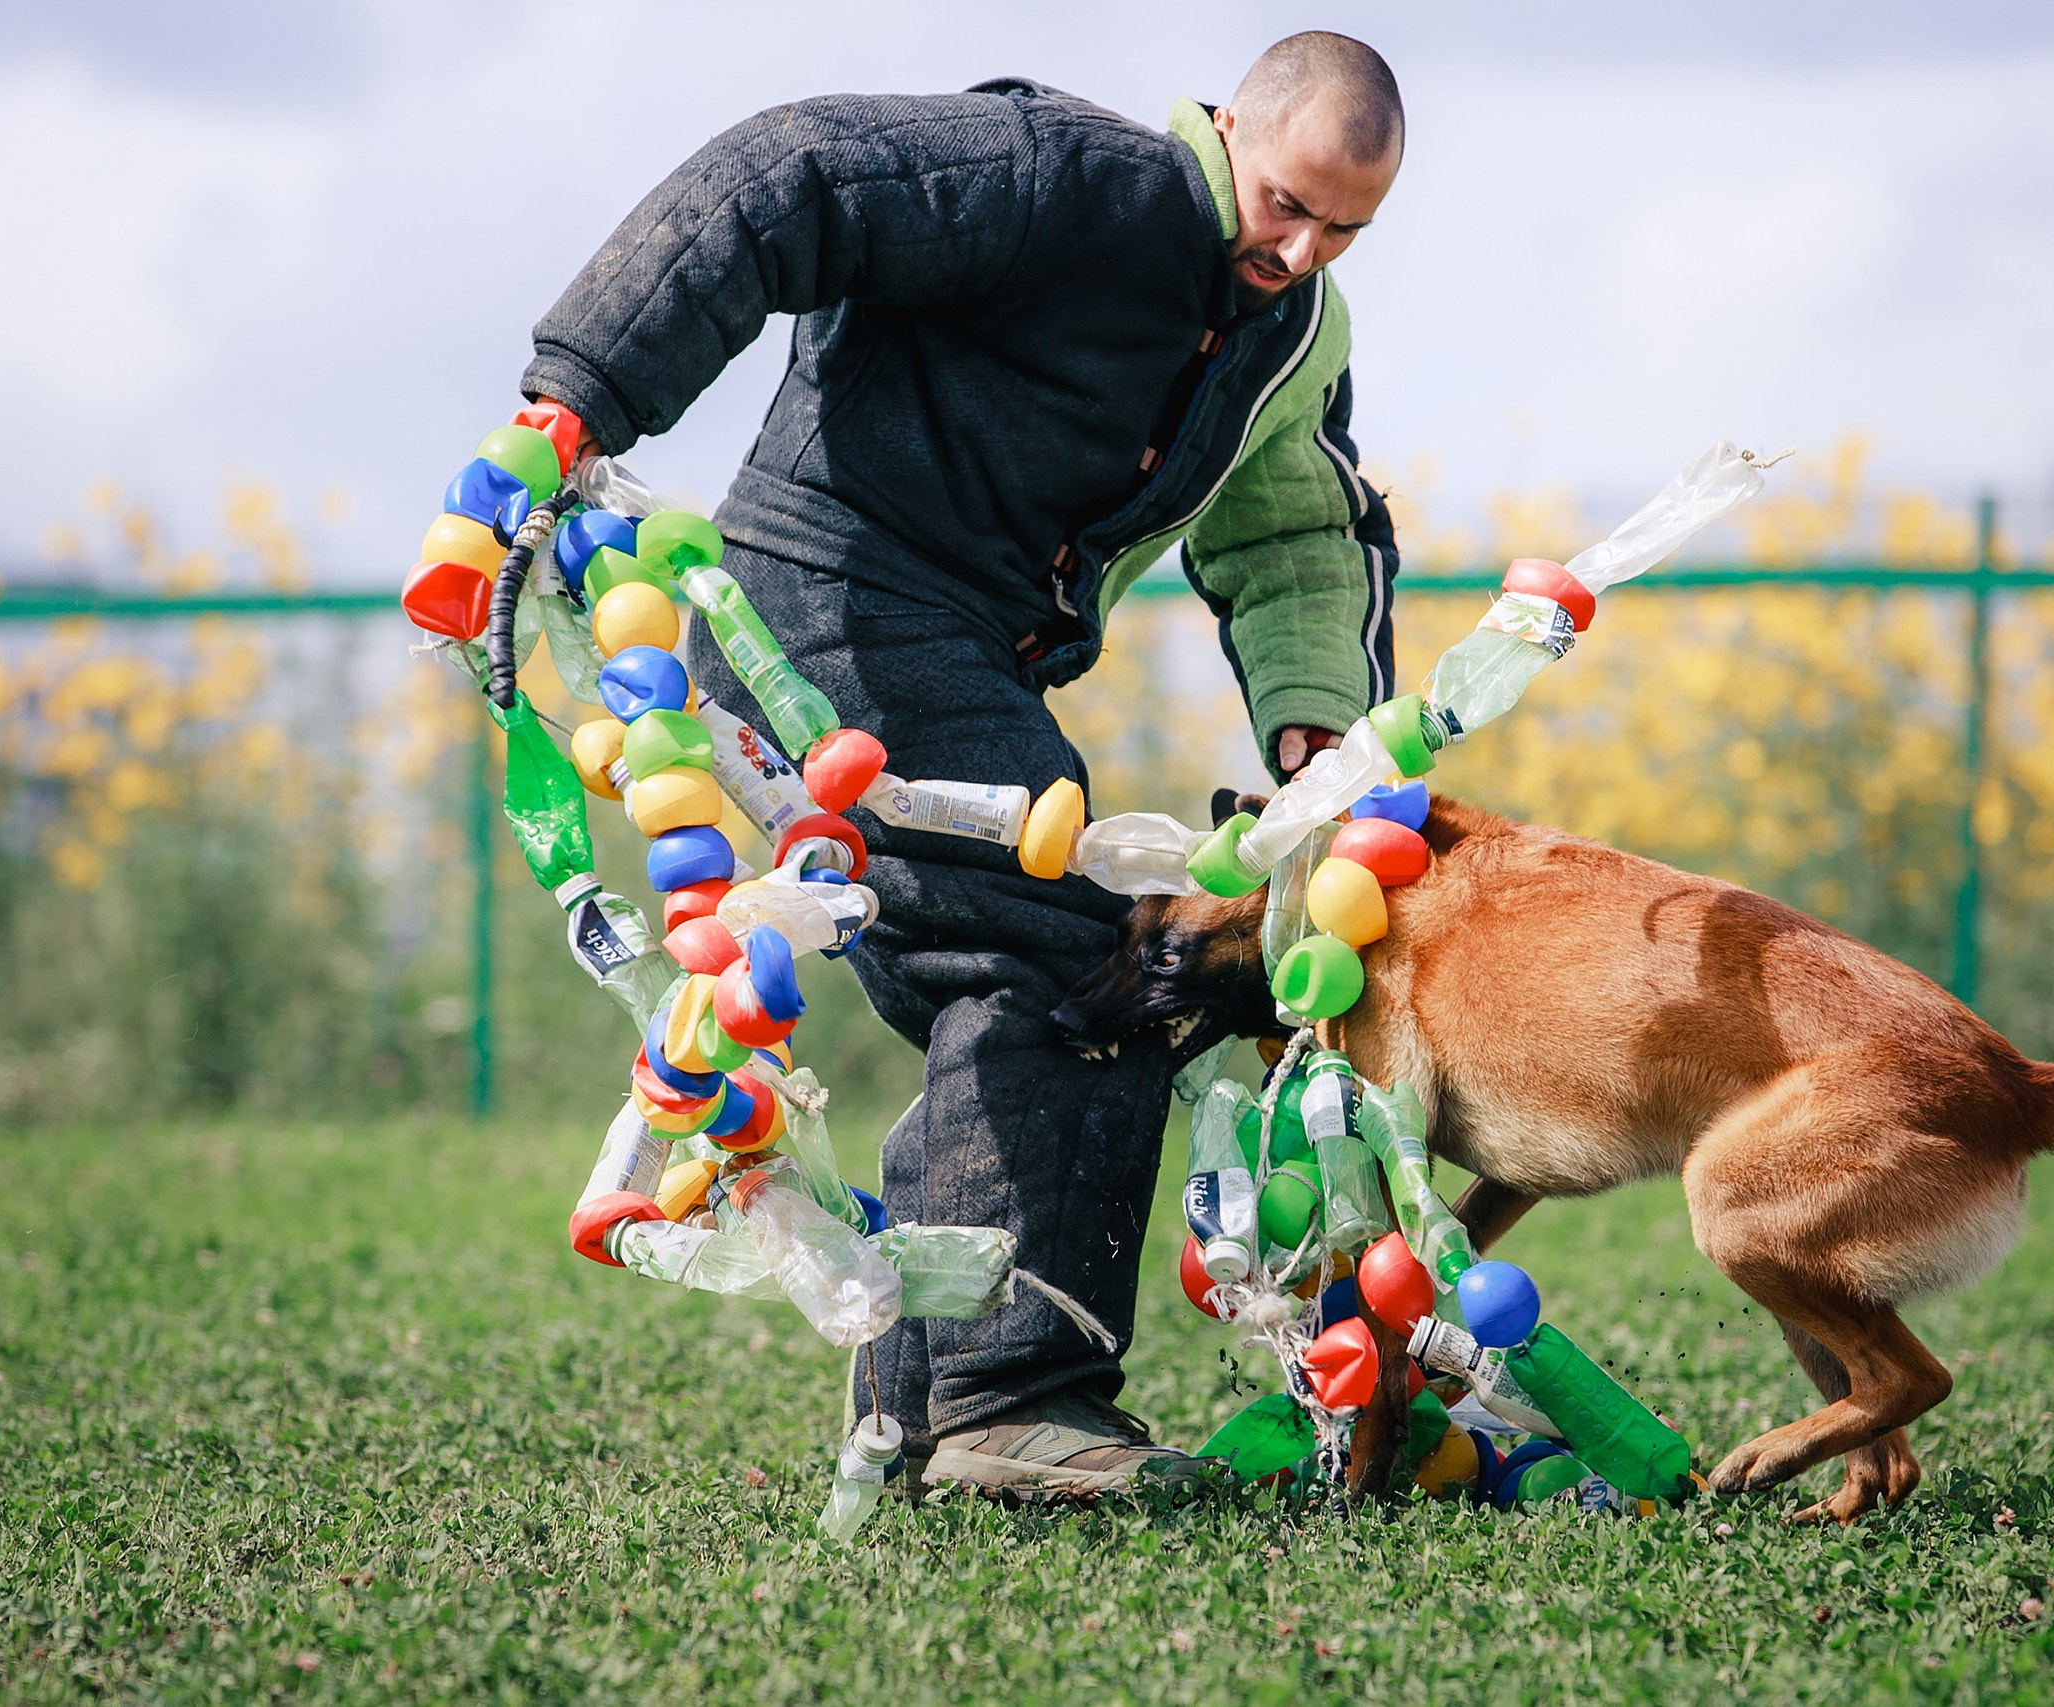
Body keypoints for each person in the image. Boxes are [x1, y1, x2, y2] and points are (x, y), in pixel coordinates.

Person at [523, 32, 1405, 1496]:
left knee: (1070, 960)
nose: (1297, 247)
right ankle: (1002, 1402)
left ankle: (940, 1400)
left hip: (963, 656)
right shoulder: (1061, 179)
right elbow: (791, 169)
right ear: (1229, 125)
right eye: (1284, 202)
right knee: (1088, 954)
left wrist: (1315, 721)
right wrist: (581, 392)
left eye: (1343, 230)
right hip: (826, 603)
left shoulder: (1292, 336)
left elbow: (1300, 528)